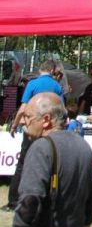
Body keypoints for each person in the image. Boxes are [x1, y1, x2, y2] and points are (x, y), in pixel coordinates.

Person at [6, 92, 92, 227]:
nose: (23, 121)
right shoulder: (83, 147)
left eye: (28, 116)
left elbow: (29, 206)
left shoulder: (41, 148)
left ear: (46, 120)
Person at [3, 61, 64, 213]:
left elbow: (23, 108)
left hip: (32, 128)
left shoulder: (32, 84)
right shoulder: (56, 86)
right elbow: (63, 110)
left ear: (40, 70)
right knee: (51, 164)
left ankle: (13, 202)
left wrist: (14, 124)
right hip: (49, 129)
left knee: (23, 163)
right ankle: (50, 201)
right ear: (52, 71)